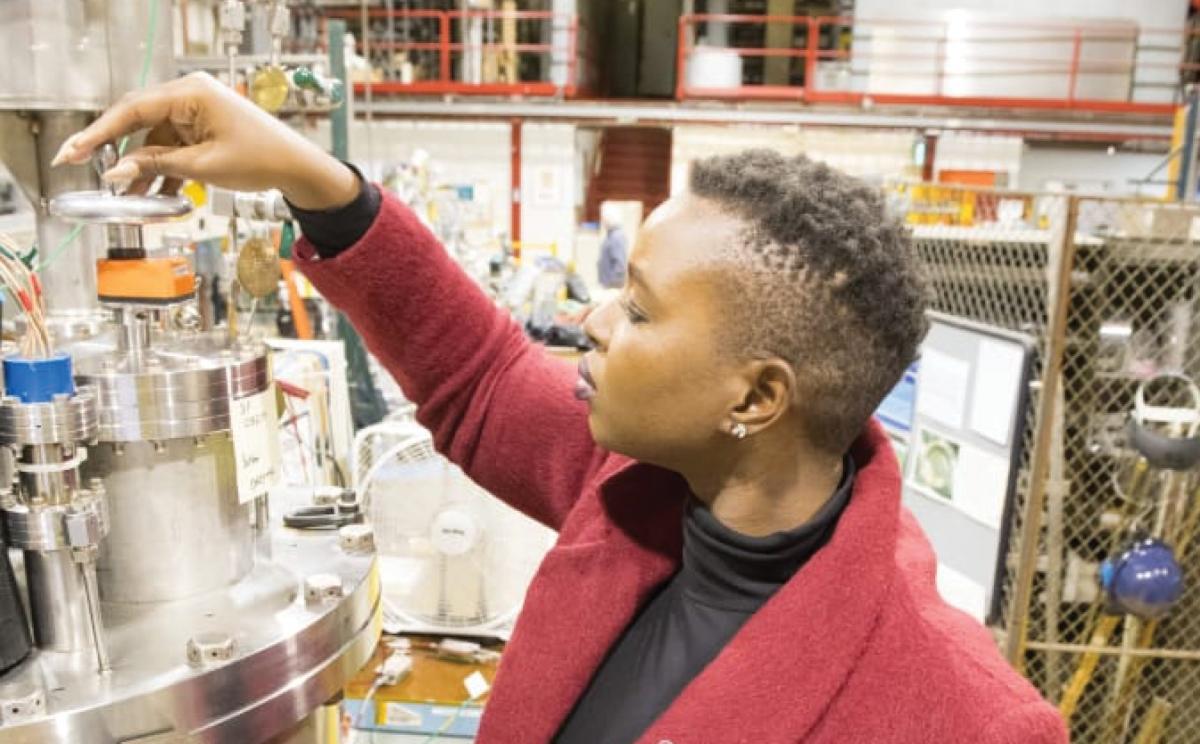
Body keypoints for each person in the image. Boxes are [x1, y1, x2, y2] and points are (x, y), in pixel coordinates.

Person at [55, 72, 1067, 744]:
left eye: (640, 307)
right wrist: (308, 176)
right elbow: (481, 374)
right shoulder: (643, 487)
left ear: (754, 398)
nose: (592, 316)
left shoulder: (960, 716)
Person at [597, 202, 629, 289]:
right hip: (608, 285)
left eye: (603, 218)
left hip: (613, 286)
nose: (602, 221)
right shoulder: (610, 235)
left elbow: (620, 264)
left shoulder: (617, 237)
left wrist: (612, 284)